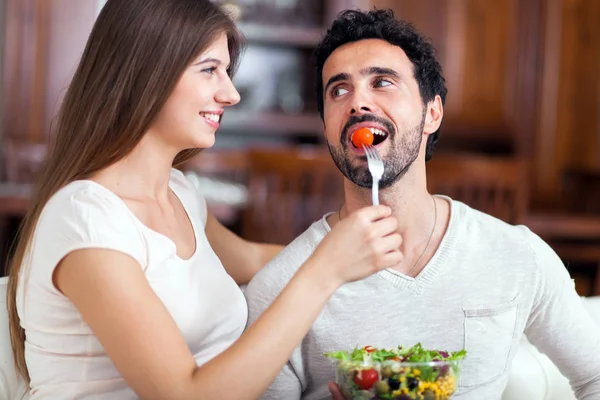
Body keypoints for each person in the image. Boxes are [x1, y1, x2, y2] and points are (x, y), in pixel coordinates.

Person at [5, 1, 404, 399]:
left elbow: (255, 260)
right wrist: (327, 269)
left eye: (226, 73)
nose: (230, 94)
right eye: (210, 70)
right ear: (147, 73)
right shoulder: (85, 220)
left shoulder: (180, 194)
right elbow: (187, 394)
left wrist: (362, 253)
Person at [244, 8, 600, 400]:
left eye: (382, 82)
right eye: (338, 90)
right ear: (327, 126)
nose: (358, 102)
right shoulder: (279, 290)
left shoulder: (517, 255)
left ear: (432, 113)